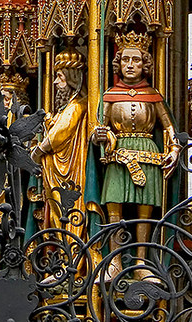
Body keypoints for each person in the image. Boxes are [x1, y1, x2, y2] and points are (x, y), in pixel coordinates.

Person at [91, 32, 180, 269]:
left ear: (145, 64)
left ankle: (141, 262)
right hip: (118, 155)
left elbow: (169, 127)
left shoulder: (153, 96)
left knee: (145, 211)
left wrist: (174, 149)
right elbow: (98, 126)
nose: (130, 65)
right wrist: (99, 135)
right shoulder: (109, 95)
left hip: (147, 153)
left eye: (137, 60)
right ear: (118, 63)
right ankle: (115, 261)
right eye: (125, 60)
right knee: (113, 205)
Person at [31, 49, 88, 238]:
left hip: (69, 172)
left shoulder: (77, 106)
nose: (55, 82)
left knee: (68, 217)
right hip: (56, 172)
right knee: (58, 218)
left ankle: (72, 259)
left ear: (72, 78)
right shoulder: (67, 107)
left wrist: (38, 151)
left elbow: (59, 135)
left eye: (60, 77)